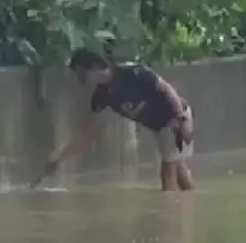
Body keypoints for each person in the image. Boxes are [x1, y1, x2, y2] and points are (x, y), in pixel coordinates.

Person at [42, 48, 195, 191]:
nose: (80, 79)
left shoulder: (132, 72)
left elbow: (167, 90)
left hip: (173, 117)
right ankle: (187, 205)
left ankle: (171, 213)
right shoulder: (101, 97)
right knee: (178, 168)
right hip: (161, 126)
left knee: (167, 171)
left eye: (81, 73)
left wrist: (181, 120)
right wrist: (60, 158)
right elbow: (86, 132)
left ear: (94, 66)